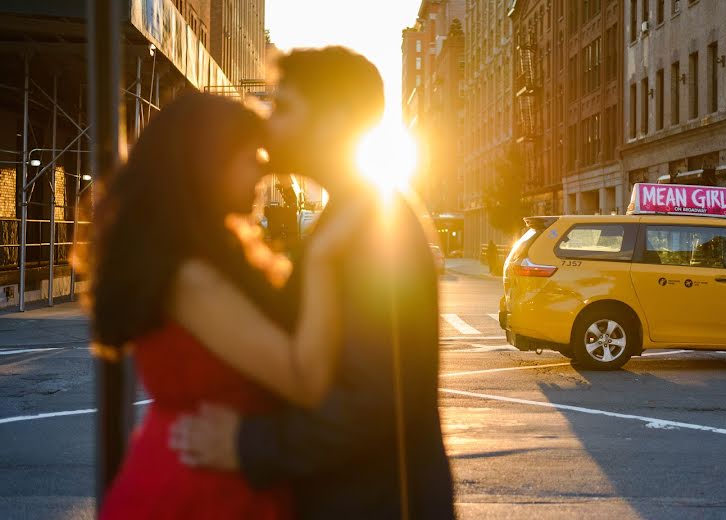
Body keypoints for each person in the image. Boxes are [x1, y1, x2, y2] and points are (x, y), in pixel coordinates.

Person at [170, 47, 455, 518]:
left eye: (283, 107)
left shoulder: (373, 225)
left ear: (335, 120)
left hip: (375, 504)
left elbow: (375, 400)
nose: (266, 121)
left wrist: (247, 444)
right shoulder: (349, 214)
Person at [84, 92, 360, 519]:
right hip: (197, 495)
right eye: (251, 156)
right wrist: (323, 259)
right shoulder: (192, 278)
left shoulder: (191, 259)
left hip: (206, 480)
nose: (262, 172)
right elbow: (304, 379)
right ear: (208, 164)